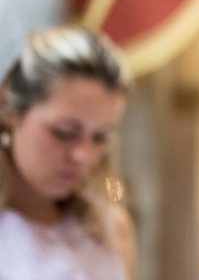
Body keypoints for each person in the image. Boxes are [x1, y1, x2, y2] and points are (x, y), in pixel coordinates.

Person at [0, 26, 135, 280]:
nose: (83, 155)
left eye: (100, 137)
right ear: (9, 110)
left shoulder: (110, 229)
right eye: (64, 132)